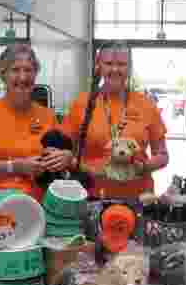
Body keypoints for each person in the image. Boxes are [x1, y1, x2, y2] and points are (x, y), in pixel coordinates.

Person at [0, 44, 73, 242]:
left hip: (37, 218)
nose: (22, 77)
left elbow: (59, 169)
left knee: (33, 271)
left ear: (36, 74)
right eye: (15, 70)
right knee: (0, 270)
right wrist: (15, 166)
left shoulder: (47, 116)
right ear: (3, 74)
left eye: (28, 70)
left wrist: (66, 159)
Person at [61, 42, 169, 199]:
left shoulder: (146, 104)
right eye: (109, 63)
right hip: (92, 196)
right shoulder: (82, 103)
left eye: (122, 64)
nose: (115, 69)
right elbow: (64, 152)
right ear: (99, 65)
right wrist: (85, 168)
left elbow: (162, 155)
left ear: (129, 67)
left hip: (139, 197)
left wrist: (142, 168)